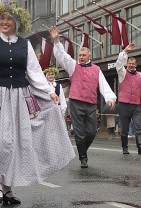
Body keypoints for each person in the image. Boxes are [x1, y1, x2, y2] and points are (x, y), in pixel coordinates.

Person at [0, 3, 75, 204]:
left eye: (9, 19)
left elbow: (34, 73)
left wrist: (50, 92)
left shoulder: (24, 45)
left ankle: (7, 189)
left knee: (12, 144)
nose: (5, 22)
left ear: (17, 23)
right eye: (2, 19)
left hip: (18, 97)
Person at [49, 25, 116, 168]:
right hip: (76, 102)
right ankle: (83, 157)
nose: (81, 57)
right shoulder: (73, 66)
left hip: (91, 104)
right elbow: (62, 56)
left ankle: (82, 150)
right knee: (79, 133)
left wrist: (110, 98)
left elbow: (104, 85)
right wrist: (56, 41)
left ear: (89, 56)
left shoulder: (97, 69)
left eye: (84, 55)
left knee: (91, 132)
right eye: (80, 55)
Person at [115, 43, 141, 154]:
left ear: (136, 64)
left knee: (138, 126)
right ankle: (125, 148)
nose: (131, 65)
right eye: (129, 63)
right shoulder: (122, 73)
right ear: (127, 64)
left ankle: (140, 147)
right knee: (125, 128)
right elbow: (118, 64)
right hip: (124, 104)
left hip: (136, 105)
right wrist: (124, 52)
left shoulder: (140, 75)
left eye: (133, 63)